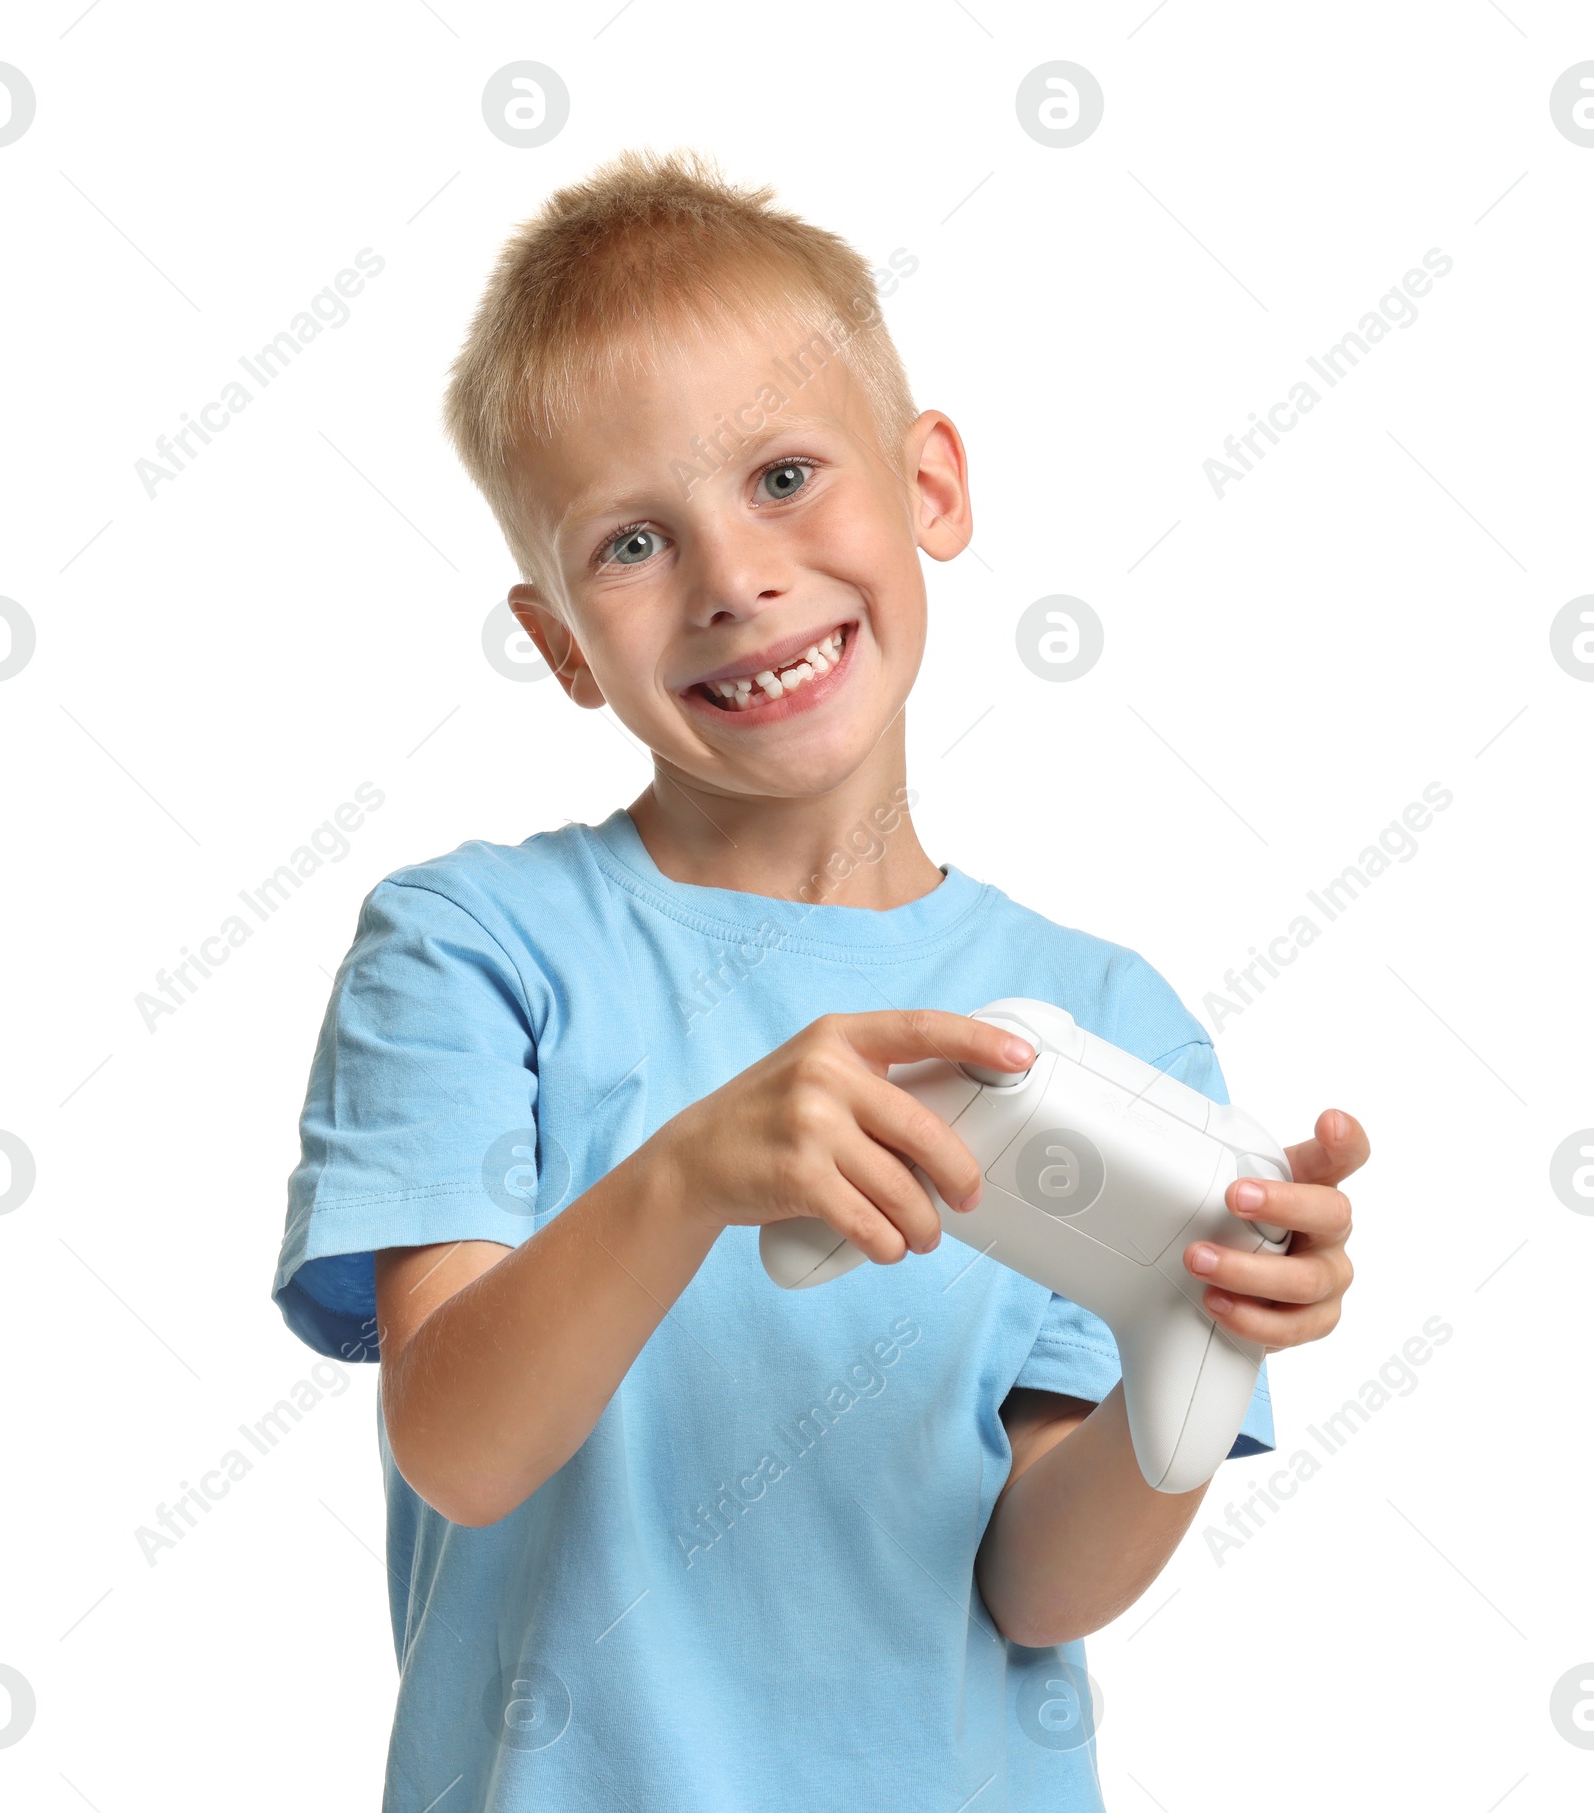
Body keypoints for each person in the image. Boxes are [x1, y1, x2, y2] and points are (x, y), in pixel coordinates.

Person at [271, 146, 1365, 1812]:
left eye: (785, 477)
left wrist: (1188, 1356)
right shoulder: (471, 948)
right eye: (632, 541)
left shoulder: (1104, 1018)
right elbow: (460, 1447)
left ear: (930, 484)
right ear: (563, 640)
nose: (733, 580)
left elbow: (1034, 1586)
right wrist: (694, 1170)